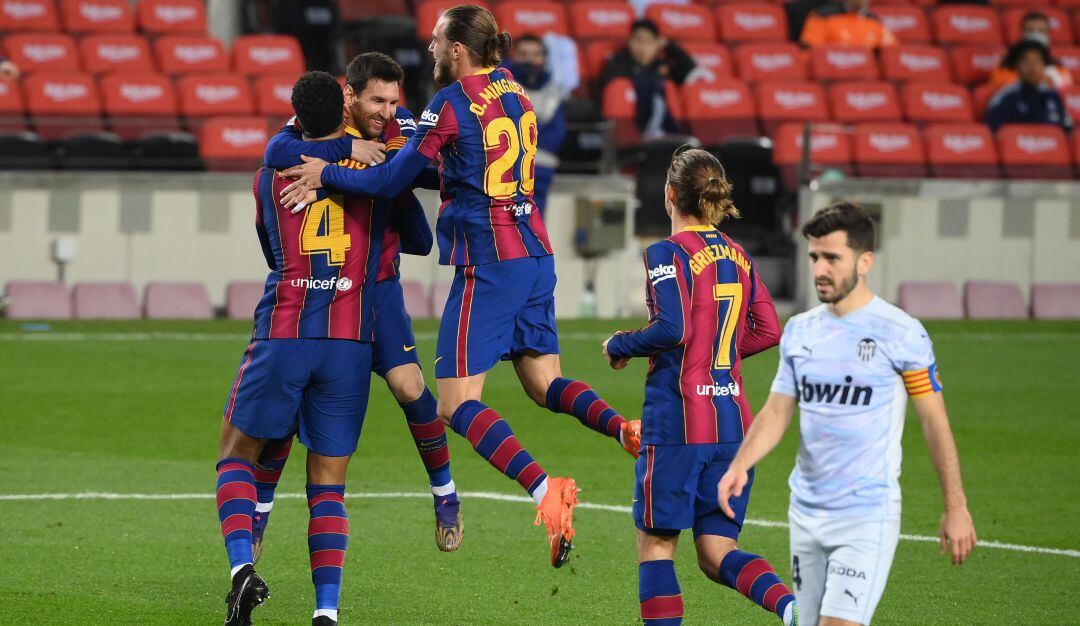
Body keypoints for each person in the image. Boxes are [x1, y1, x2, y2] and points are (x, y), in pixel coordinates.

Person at [276, 4, 642, 568]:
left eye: (437, 41)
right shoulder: (516, 92)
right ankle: (624, 430)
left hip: (489, 263)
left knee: (453, 404)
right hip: (536, 254)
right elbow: (449, 166)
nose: (429, 50)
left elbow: (393, 180)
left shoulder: (449, 103)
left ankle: (547, 491)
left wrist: (328, 171)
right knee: (545, 383)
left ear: (458, 50)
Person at [718, 202, 978, 626]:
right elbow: (778, 411)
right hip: (805, 512)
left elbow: (934, 422)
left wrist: (956, 505)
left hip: (865, 515)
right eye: (814, 257)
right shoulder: (801, 331)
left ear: (865, 260)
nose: (820, 269)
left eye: (832, 258)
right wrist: (741, 465)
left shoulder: (901, 333)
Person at [252, 52, 463, 562]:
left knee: (409, 386)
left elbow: (432, 168)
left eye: (393, 100)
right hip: (321, 288)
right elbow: (275, 148)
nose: (387, 111)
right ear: (350, 94)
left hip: (379, 284)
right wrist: (348, 149)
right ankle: (257, 515)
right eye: (377, 100)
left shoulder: (401, 125)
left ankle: (446, 496)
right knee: (290, 406)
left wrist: (385, 161)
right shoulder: (318, 124)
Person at [216, 71, 392, 626]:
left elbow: (272, 251)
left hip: (286, 328)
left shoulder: (269, 176)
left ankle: (244, 570)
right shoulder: (371, 169)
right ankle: (326, 613)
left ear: (293, 115)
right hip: (349, 340)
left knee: (236, 454)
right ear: (345, 107)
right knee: (328, 484)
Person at [602, 147, 794, 626]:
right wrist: (716, 355)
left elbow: (672, 328)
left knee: (657, 544)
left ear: (670, 195)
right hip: (734, 425)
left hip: (679, 423)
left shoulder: (665, 253)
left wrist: (620, 344)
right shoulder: (738, 254)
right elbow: (770, 330)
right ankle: (792, 609)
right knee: (716, 551)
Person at [599, 19, 698, 139]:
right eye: (638, 40)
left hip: (666, 133)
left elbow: (692, 73)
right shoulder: (618, 62)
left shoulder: (662, 64)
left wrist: (670, 46)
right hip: (628, 133)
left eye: (649, 41)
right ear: (630, 41)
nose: (643, 46)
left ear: (657, 44)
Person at [503, 35, 566, 215]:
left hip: (541, 168)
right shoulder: (498, 85)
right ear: (514, 56)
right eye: (523, 54)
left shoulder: (554, 91)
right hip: (504, 166)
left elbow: (556, 135)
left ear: (544, 58)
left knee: (532, 228)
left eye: (535, 55)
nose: (529, 60)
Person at [985, 40, 1073, 133]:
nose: (1032, 67)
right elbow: (992, 132)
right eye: (1026, 61)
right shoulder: (1006, 96)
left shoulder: (1053, 96)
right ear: (1016, 65)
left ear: (1044, 65)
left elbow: (1068, 131)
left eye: (1037, 61)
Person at [987, 11, 1072, 90]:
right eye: (1030, 30)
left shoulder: (1058, 67)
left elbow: (1065, 92)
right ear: (1021, 33)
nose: (1036, 35)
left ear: (1048, 35)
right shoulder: (1005, 65)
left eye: (1041, 31)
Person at [799, 0, 896, 50]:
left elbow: (891, 54)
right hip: (834, 75)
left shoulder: (875, 22)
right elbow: (810, 51)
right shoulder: (823, 16)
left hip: (865, 80)